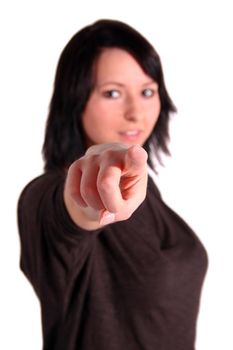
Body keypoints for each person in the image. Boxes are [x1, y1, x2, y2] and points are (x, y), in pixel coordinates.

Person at [17, 19, 208, 350]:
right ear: (74, 101)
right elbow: (75, 209)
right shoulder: (42, 197)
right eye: (112, 93)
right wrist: (91, 177)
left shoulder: (147, 195)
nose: (135, 112)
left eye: (147, 91)